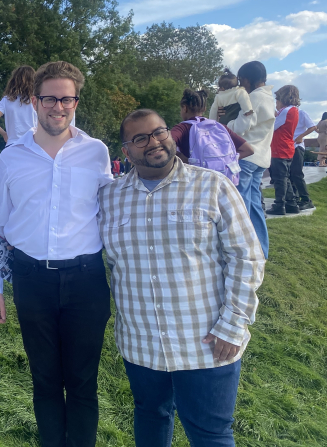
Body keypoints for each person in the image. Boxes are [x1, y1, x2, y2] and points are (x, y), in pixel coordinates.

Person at [99, 109, 264, 447]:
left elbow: (247, 257)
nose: (154, 142)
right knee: (150, 419)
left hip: (205, 342)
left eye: (159, 132)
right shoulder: (109, 198)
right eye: (140, 138)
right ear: (125, 151)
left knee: (210, 434)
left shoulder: (212, 186)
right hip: (141, 343)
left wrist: (233, 325)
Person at [0, 61, 113, 447]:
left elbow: (111, 211)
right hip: (32, 280)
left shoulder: (96, 152)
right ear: (34, 101)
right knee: (44, 379)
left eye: (66, 99)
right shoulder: (11, 156)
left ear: (76, 102)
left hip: (86, 280)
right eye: (49, 99)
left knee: (82, 381)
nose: (58, 107)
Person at [227, 61, 274, 258]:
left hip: (246, 157)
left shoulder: (254, 97)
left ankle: (243, 254)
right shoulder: (269, 97)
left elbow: (241, 126)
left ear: (247, 79)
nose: (240, 85)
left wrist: (225, 123)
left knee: (241, 206)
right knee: (254, 207)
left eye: (241, 80)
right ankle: (261, 251)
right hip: (260, 158)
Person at [171, 89, 254, 170]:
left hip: (195, 176)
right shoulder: (219, 127)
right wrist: (226, 160)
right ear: (204, 108)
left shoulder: (182, 128)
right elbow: (248, 150)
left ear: (184, 108)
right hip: (222, 177)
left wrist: (180, 157)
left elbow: (165, 143)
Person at [267, 85, 301, 216]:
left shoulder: (286, 111)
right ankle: (291, 203)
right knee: (285, 178)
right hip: (287, 147)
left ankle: (279, 204)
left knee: (279, 179)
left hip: (279, 148)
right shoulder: (294, 110)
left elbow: (272, 126)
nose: (276, 102)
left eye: (277, 99)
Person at [0, 65, 38, 147]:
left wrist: (4, 134)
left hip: (13, 144)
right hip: (33, 143)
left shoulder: (6, 100)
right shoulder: (36, 100)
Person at [290, 106, 317, 210]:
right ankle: (295, 198)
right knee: (290, 174)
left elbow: (313, 127)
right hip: (288, 146)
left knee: (297, 173)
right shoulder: (283, 113)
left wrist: (300, 136)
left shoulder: (301, 113)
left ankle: (306, 200)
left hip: (297, 146)